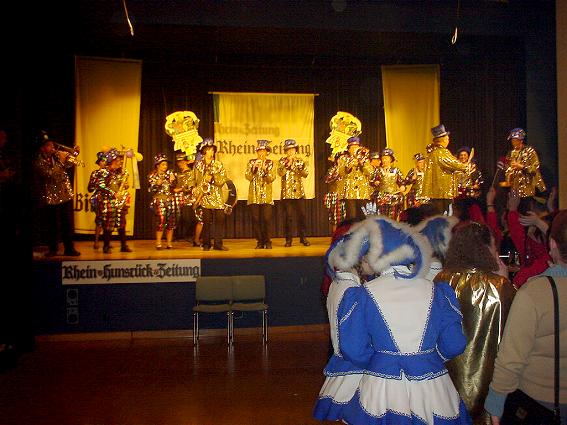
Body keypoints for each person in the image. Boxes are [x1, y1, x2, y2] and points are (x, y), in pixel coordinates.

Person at [315, 215, 471, 424]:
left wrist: (381, 362)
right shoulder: (439, 291)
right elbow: (455, 344)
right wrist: (427, 359)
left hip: (380, 388)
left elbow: (353, 348)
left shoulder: (361, 295)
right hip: (434, 385)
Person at [484, 210, 567, 424]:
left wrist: (496, 403)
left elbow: (511, 358)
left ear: (552, 245)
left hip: (542, 402)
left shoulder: (535, 292)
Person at [435, 222, 517, 424]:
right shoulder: (500, 286)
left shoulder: (441, 280)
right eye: (494, 246)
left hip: (446, 379)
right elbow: (518, 327)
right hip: (489, 381)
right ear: (485, 248)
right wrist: (507, 281)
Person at [33, 130, 81, 257]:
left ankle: (69, 248)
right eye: (49, 145)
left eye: (52, 144)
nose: (53, 147)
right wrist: (61, 161)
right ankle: (53, 249)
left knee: (67, 223)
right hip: (51, 196)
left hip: (64, 193)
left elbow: (69, 165)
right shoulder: (38, 161)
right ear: (42, 148)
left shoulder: (56, 156)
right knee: (53, 224)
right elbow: (49, 174)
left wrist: (74, 154)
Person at [422, 124, 470, 215]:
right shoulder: (442, 152)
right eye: (447, 139)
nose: (448, 141)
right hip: (443, 191)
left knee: (437, 213)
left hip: (436, 191)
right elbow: (453, 163)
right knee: (445, 213)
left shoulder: (432, 153)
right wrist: (465, 166)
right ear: (443, 140)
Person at [194, 138, 229, 251]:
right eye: (209, 150)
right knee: (206, 221)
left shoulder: (218, 165)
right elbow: (193, 179)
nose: (211, 152)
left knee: (220, 219)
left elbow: (223, 180)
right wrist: (194, 188)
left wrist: (213, 179)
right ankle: (206, 244)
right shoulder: (198, 166)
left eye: (212, 150)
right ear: (204, 151)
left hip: (217, 196)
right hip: (204, 197)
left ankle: (218, 244)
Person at [502, 127, 546, 214]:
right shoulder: (511, 153)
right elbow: (507, 167)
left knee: (526, 212)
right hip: (515, 190)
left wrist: (522, 167)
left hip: (528, 190)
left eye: (515, 140)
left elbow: (535, 167)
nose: (513, 143)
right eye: (512, 141)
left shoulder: (529, 151)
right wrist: (509, 172)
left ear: (521, 140)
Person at [96, 148, 132, 254]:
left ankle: (123, 245)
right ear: (112, 161)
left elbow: (121, 185)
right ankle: (106, 246)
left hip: (119, 201)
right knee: (108, 224)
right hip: (107, 200)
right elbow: (100, 185)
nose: (120, 162)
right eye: (117, 160)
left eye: (120, 160)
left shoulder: (119, 173)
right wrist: (112, 193)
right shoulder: (104, 172)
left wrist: (125, 185)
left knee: (121, 222)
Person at [277, 138, 310, 247]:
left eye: (292, 149)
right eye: (288, 150)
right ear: (286, 151)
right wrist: (288, 164)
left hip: (299, 193)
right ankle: (288, 240)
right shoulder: (282, 161)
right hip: (287, 194)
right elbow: (280, 173)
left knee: (302, 216)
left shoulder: (300, 161)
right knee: (288, 217)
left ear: (295, 150)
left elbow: (305, 174)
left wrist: (296, 166)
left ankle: (303, 238)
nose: (291, 152)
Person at [246, 140, 277, 249]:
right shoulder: (251, 162)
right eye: (259, 151)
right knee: (256, 219)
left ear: (267, 152)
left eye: (263, 151)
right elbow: (248, 177)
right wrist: (254, 168)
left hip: (266, 196)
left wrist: (265, 170)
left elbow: (271, 178)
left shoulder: (270, 163)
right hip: (254, 195)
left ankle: (268, 241)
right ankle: (259, 241)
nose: (261, 153)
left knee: (266, 219)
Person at [336, 136, 373, 221]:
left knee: (363, 216)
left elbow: (371, 173)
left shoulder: (364, 158)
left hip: (362, 192)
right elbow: (341, 173)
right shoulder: (343, 158)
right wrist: (350, 164)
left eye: (357, 147)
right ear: (349, 149)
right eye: (352, 147)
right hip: (349, 192)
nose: (355, 149)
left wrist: (362, 163)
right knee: (351, 216)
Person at [148, 153, 177, 250]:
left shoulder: (170, 174)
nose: (165, 166)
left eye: (166, 164)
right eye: (163, 164)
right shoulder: (152, 175)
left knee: (171, 222)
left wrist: (173, 181)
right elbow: (150, 190)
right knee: (161, 220)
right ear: (157, 165)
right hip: (159, 200)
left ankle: (169, 243)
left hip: (170, 199)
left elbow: (173, 187)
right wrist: (157, 184)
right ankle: (158, 242)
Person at [173, 152, 200, 247]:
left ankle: (190, 236)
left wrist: (180, 189)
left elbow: (191, 186)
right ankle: (177, 236)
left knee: (190, 218)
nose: (180, 164)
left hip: (189, 199)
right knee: (176, 218)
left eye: (181, 162)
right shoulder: (177, 174)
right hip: (178, 199)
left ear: (186, 162)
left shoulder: (191, 173)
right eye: (178, 162)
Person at [374, 147, 405, 220]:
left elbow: (401, 181)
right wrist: (375, 182)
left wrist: (402, 186)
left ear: (391, 159)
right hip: (381, 196)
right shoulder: (378, 171)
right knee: (381, 216)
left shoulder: (396, 170)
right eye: (383, 158)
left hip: (393, 196)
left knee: (392, 216)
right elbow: (372, 180)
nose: (384, 160)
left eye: (386, 158)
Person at [87, 151, 106, 249]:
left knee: (108, 221)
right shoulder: (95, 173)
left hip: (109, 198)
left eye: (105, 161)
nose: (104, 163)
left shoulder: (110, 173)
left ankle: (107, 242)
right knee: (99, 219)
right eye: (102, 161)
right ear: (99, 163)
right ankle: (96, 241)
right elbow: (89, 188)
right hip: (98, 198)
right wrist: (96, 184)